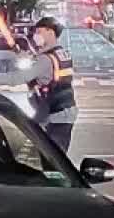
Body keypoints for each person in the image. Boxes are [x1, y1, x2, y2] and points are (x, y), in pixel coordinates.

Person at [26, 16, 78, 154]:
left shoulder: (47, 58)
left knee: (54, 158)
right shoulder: (61, 53)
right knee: (52, 154)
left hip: (57, 111)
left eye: (39, 32)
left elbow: (21, 77)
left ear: (50, 32)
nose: (36, 36)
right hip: (60, 110)